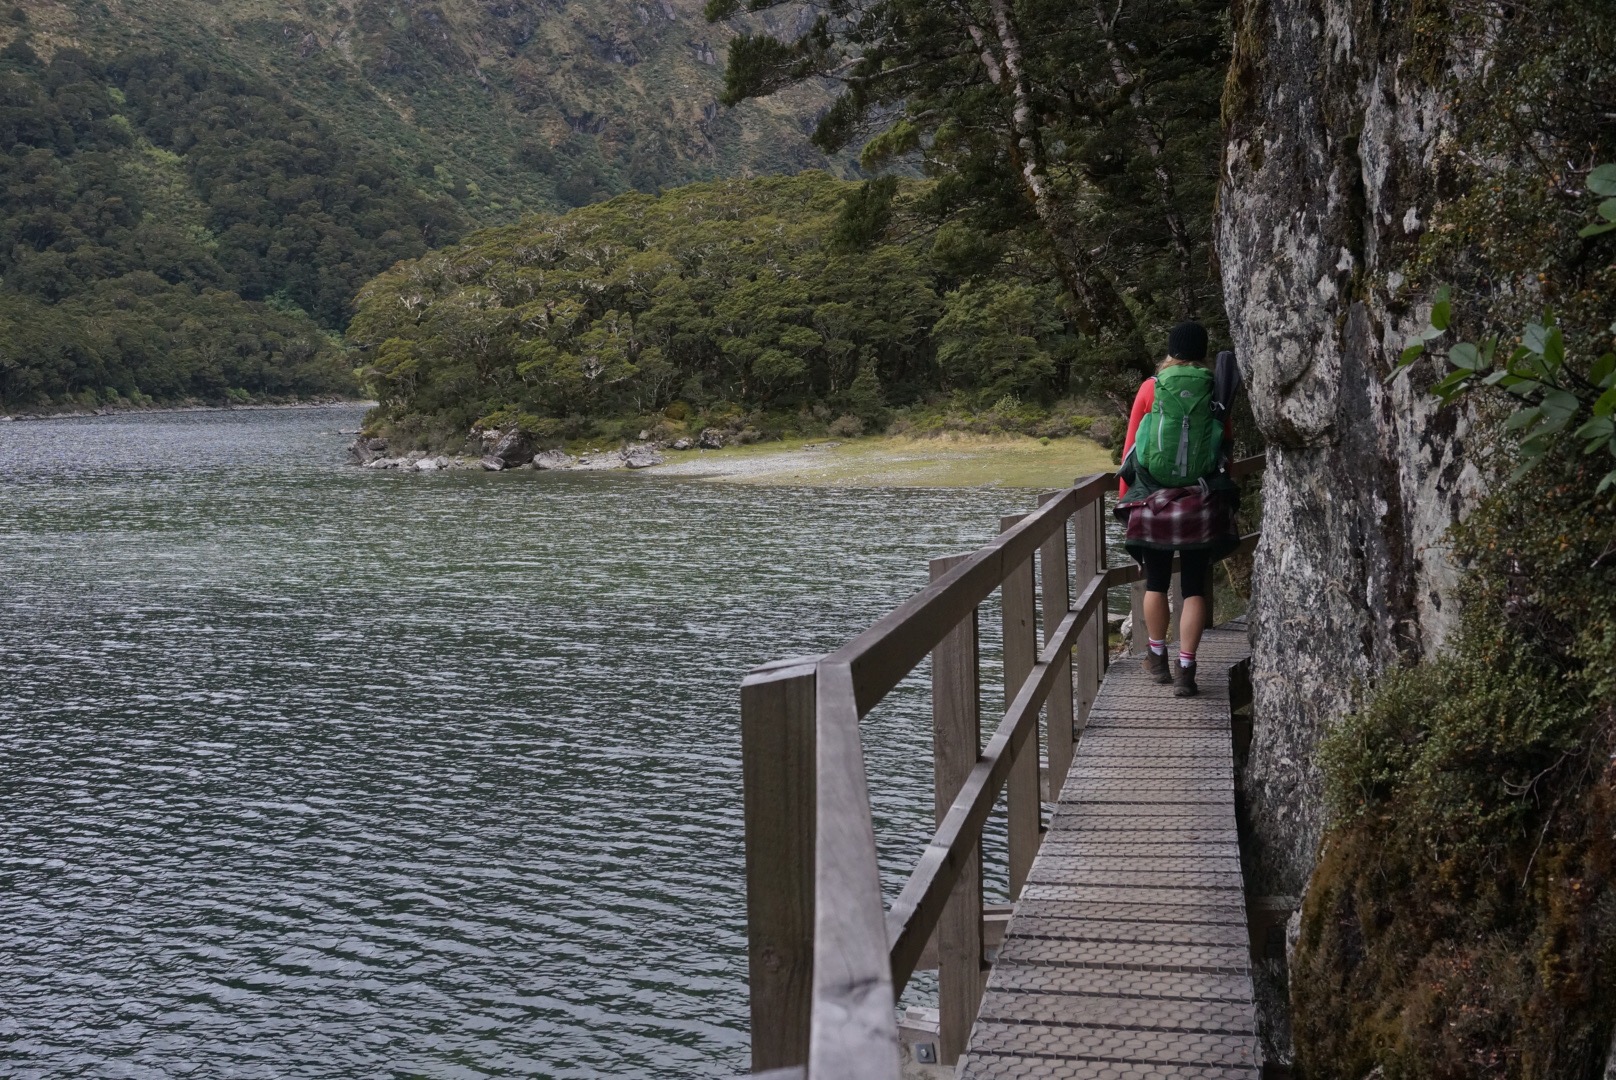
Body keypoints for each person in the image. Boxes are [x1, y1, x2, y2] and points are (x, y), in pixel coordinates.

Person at [1114, 321, 1240, 698]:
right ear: (1203, 352)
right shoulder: (1214, 389)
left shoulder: (1151, 387)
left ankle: (1157, 659)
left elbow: (1130, 451)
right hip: (1199, 502)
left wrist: (1126, 500)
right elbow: (1225, 448)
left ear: (1170, 351)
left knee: (1155, 582)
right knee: (1194, 587)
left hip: (1154, 502)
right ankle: (1187, 669)